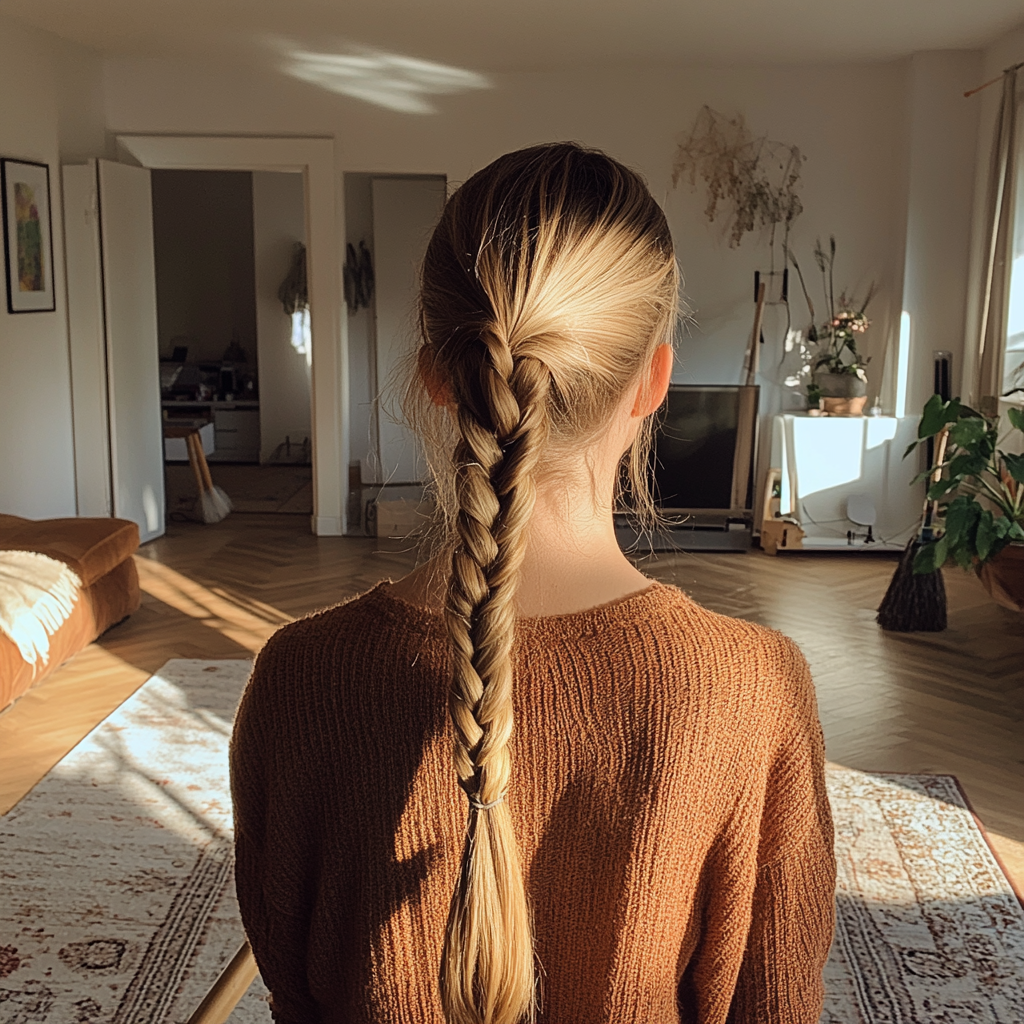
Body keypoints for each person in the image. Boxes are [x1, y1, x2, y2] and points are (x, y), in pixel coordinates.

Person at [230, 142, 836, 1024]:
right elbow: (773, 1006)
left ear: (437, 373)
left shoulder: (300, 676)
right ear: (653, 382)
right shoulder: (755, 690)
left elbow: (295, 990)